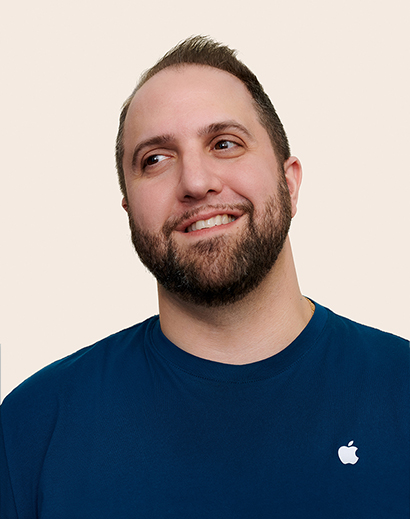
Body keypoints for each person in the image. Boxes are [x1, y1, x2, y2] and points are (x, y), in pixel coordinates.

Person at [1, 36, 408, 518]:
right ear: (130, 211)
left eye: (225, 144)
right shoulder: (33, 426)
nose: (196, 181)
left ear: (290, 182)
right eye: (155, 159)